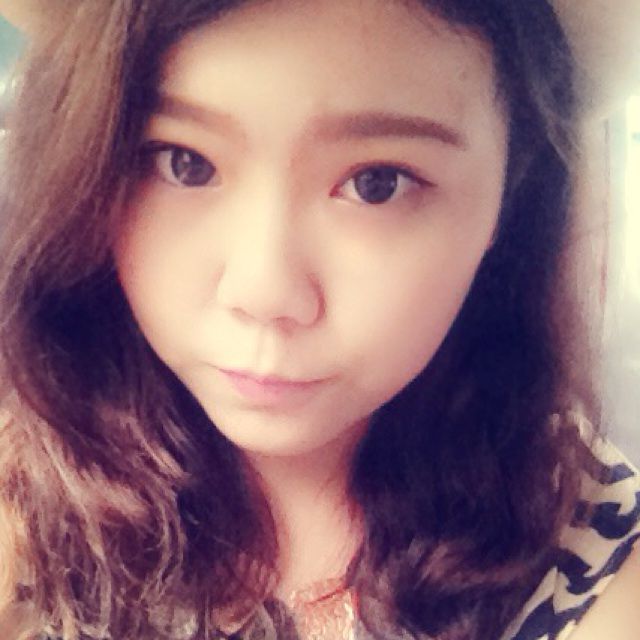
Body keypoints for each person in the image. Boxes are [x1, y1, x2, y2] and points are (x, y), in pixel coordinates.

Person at [0, 1, 638, 639]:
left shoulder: (592, 564)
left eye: (377, 183)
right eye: (182, 162)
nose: (263, 292)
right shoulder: (27, 488)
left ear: (510, 198)